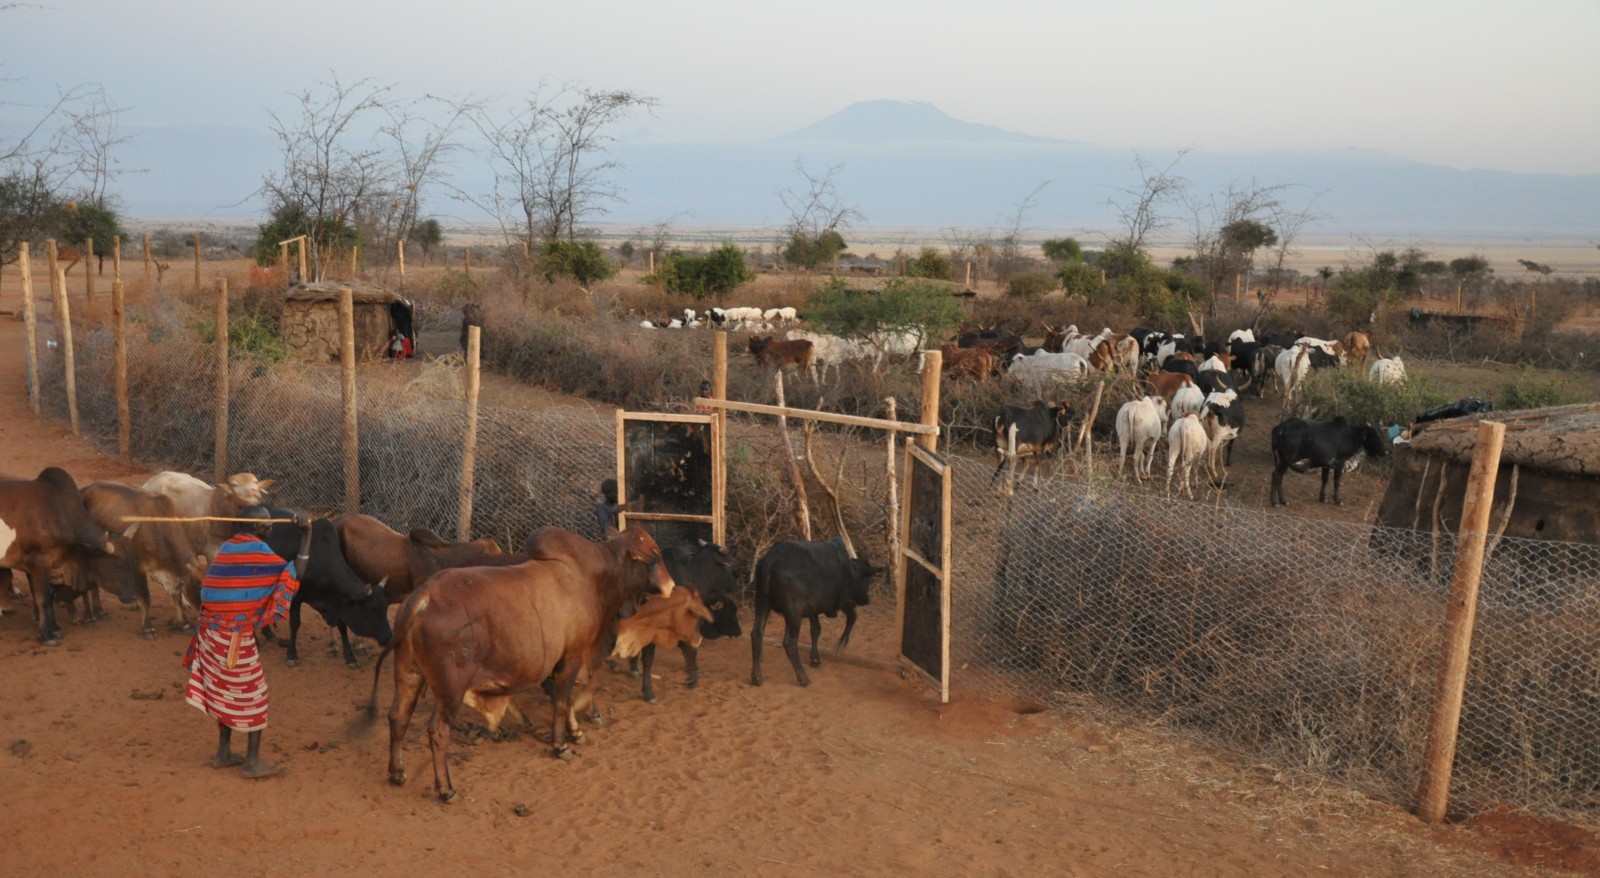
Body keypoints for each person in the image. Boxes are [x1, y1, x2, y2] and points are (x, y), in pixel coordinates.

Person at [183, 506, 312, 779]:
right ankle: (252, 762)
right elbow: (293, 573)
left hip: (209, 635)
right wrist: (306, 535)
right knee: (255, 694)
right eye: (266, 523)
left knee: (225, 691)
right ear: (255, 527)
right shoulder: (257, 552)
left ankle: (223, 753)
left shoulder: (228, 548)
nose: (271, 527)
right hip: (232, 638)